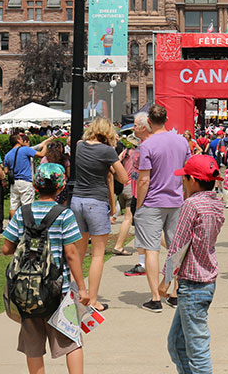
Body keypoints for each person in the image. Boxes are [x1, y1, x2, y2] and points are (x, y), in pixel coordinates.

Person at [2, 163, 90, 374]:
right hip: (60, 290)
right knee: (71, 341)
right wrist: (82, 289)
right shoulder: (64, 215)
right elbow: (71, 254)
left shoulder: (23, 212)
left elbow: (6, 248)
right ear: (61, 188)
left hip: (26, 289)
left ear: (35, 185)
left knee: (33, 346)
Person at [162, 155, 225, 374]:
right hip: (205, 281)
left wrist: (166, 279)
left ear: (194, 181)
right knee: (177, 343)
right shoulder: (216, 202)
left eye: (185, 178)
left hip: (193, 284)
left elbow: (178, 245)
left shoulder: (192, 204)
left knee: (197, 351)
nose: (183, 182)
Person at [134, 104, 191, 312]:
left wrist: (139, 205)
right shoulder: (182, 141)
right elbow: (187, 173)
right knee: (176, 248)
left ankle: (155, 297)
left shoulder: (148, 145)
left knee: (152, 249)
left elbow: (143, 180)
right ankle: (175, 291)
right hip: (176, 200)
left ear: (149, 122)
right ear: (166, 119)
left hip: (153, 202)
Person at [71, 117, 127, 312]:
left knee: (77, 252)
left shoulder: (79, 146)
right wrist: (114, 163)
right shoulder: (107, 151)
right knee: (97, 254)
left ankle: (75, 294)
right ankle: (93, 299)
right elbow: (124, 178)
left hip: (77, 200)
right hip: (96, 201)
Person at [122, 113, 152, 273]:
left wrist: (140, 200)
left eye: (135, 125)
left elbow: (145, 178)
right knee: (140, 229)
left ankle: (178, 251)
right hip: (136, 193)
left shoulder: (149, 145)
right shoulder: (140, 145)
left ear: (143, 127)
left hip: (144, 195)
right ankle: (142, 262)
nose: (133, 128)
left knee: (149, 231)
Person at [4, 133, 51, 219]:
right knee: (27, 206)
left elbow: (6, 171)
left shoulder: (7, 155)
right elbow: (41, 154)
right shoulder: (25, 149)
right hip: (25, 181)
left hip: (14, 182)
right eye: (21, 139)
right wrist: (45, 146)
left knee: (13, 206)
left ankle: (13, 226)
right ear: (18, 141)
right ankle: (27, 226)